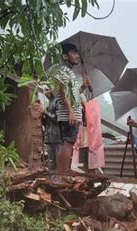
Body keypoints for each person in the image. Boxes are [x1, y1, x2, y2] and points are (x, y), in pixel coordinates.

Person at [49, 43, 91, 174]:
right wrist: (71, 112)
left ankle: (62, 172)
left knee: (67, 143)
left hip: (69, 113)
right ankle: (62, 173)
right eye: (74, 53)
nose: (77, 56)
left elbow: (72, 95)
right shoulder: (64, 70)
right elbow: (61, 92)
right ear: (65, 56)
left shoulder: (68, 72)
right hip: (69, 114)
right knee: (68, 143)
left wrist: (83, 87)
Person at [42, 86, 62, 171]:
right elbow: (46, 123)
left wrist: (45, 112)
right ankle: (52, 178)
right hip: (49, 137)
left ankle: (59, 176)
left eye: (47, 90)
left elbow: (57, 118)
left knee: (59, 160)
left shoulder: (57, 102)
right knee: (50, 160)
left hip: (57, 136)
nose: (45, 93)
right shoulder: (48, 104)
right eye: (44, 91)